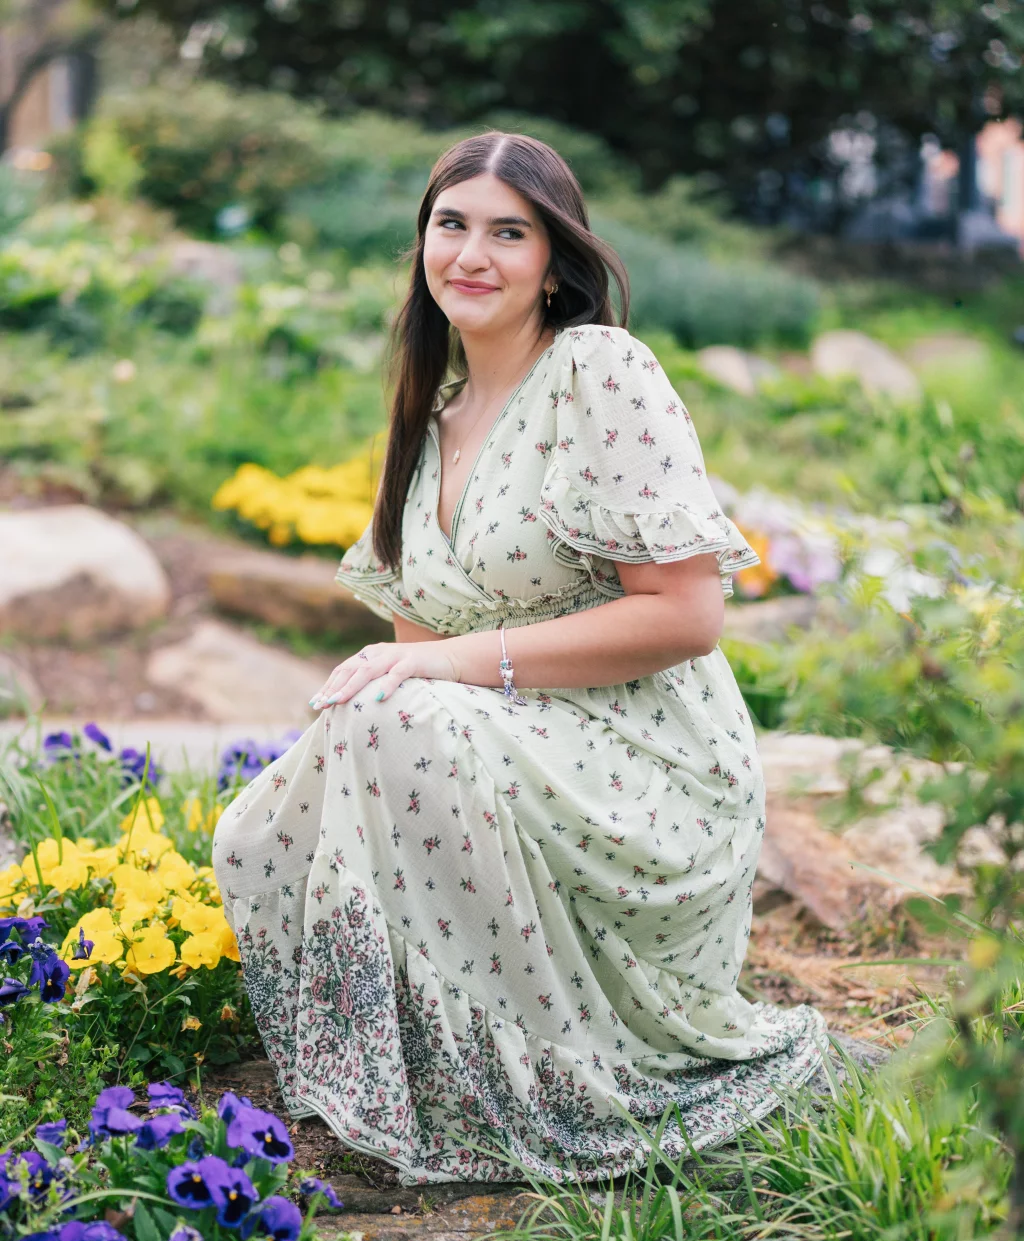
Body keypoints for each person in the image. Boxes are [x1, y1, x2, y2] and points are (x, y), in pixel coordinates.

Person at [212, 132, 827, 1187]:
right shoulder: (430, 421)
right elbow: (415, 666)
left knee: (401, 713)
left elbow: (686, 616)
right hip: (506, 744)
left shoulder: (598, 371)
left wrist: (446, 671)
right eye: (451, 225)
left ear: (556, 259)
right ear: (420, 244)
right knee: (261, 827)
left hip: (644, 756)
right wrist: (396, 695)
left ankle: (529, 1087)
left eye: (510, 231)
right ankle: (432, 1066)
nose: (473, 254)